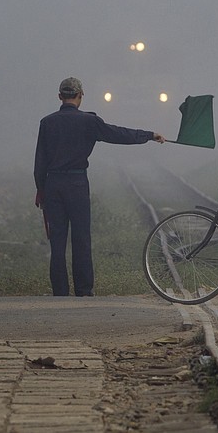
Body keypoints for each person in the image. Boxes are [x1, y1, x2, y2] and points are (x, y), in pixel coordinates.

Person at [34, 77, 165, 297]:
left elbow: (40, 162)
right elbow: (119, 134)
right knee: (81, 238)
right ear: (80, 96)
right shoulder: (88, 122)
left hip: (53, 184)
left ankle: (60, 292)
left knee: (57, 241)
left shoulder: (47, 122)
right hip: (77, 184)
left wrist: (41, 189)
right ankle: (84, 291)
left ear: (60, 97)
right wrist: (149, 135)